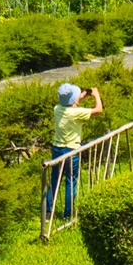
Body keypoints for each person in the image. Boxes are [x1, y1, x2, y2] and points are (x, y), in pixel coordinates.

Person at [45, 82, 103, 219]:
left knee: (54, 180)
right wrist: (96, 95)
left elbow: (69, 105)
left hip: (57, 149)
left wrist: (80, 98)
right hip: (72, 151)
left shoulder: (57, 109)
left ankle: (48, 212)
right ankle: (68, 215)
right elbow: (98, 110)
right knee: (71, 182)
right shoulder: (77, 113)